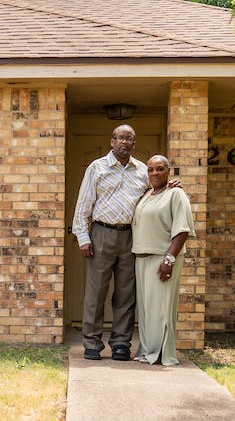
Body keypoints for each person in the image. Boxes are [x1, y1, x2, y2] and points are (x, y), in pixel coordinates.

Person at [71, 124, 148, 361]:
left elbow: (155, 194)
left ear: (134, 143)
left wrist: (171, 186)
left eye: (129, 139)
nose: (124, 142)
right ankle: (92, 343)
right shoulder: (97, 168)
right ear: (112, 141)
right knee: (96, 293)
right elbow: (84, 204)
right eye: (120, 138)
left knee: (126, 293)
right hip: (101, 234)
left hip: (131, 236)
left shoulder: (143, 170)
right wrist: (83, 237)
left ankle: (121, 344)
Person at [131, 155, 195, 366]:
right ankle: (148, 350)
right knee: (148, 310)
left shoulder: (176, 194)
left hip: (162, 257)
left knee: (161, 309)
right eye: (150, 170)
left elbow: (182, 229)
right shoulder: (148, 194)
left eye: (159, 169)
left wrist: (169, 259)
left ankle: (160, 353)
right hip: (142, 257)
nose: (154, 173)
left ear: (169, 171)